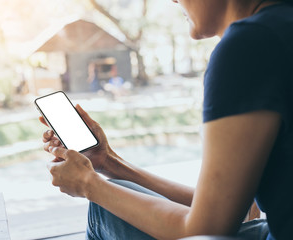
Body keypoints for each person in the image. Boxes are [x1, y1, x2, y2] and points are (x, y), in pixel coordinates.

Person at [39, 0, 293, 239]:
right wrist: (109, 163)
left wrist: (88, 185)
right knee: (113, 200)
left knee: (103, 209)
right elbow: (237, 211)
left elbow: (205, 231)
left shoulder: (249, 47)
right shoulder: (280, 26)